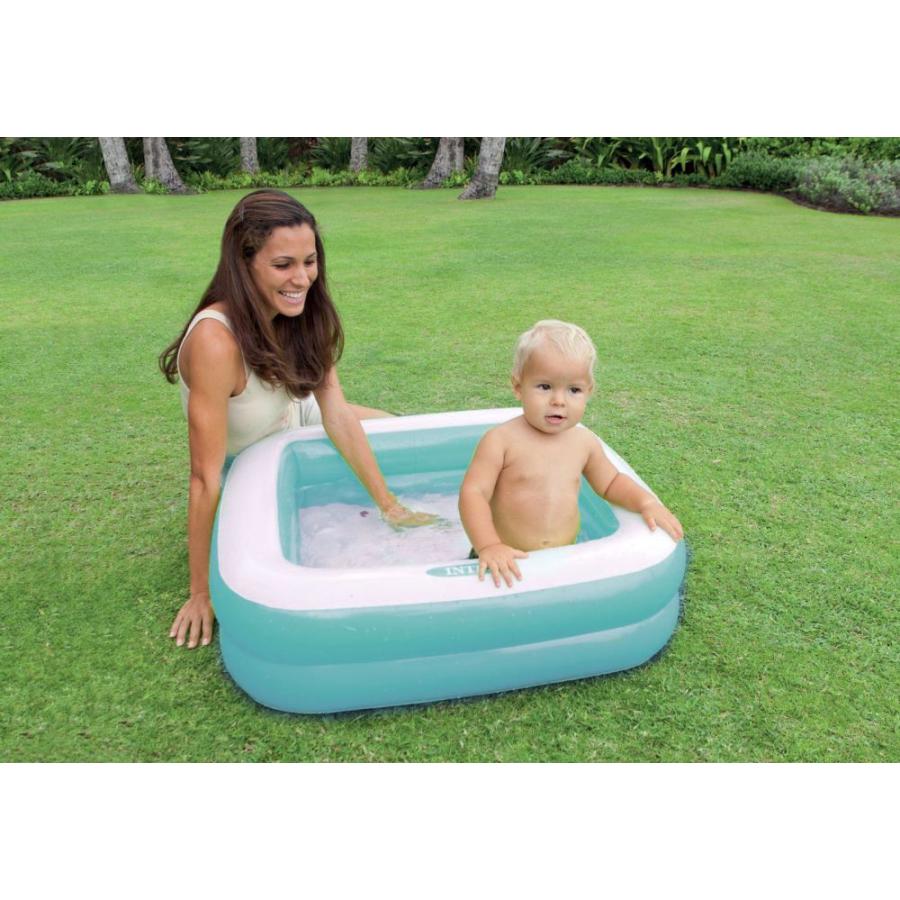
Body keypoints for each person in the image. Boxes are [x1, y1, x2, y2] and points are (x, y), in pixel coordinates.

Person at [159, 190, 435, 648]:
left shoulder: (303, 313)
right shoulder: (215, 342)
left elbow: (336, 412)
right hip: (247, 464)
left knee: (393, 430)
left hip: (295, 418)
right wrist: (200, 592)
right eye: (283, 264)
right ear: (244, 262)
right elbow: (204, 477)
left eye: (310, 261)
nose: (302, 278)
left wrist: (390, 507)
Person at [459, 320, 684, 588]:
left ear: (589, 392)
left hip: (563, 559)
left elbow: (611, 482)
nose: (559, 400)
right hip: (503, 559)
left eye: (574, 390)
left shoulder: (584, 443)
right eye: (545, 387)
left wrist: (646, 502)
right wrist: (488, 545)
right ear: (518, 386)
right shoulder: (500, 441)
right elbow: (473, 493)